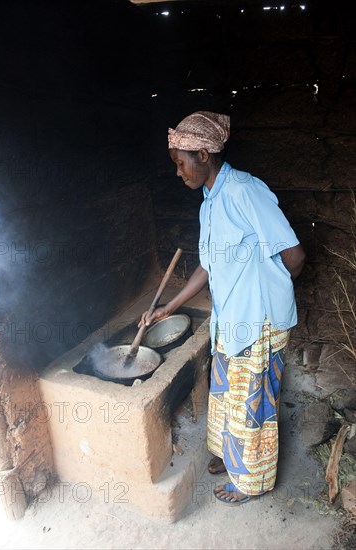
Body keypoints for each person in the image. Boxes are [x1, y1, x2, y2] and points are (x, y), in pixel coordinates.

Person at [139, 111, 305, 505]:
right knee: (227, 391)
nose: (178, 172)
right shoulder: (209, 202)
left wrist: (273, 291)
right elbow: (207, 266)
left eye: (181, 163)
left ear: (203, 154)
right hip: (230, 320)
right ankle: (233, 457)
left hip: (258, 321)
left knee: (253, 408)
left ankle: (252, 481)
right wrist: (169, 306)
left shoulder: (245, 192)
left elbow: (295, 255)